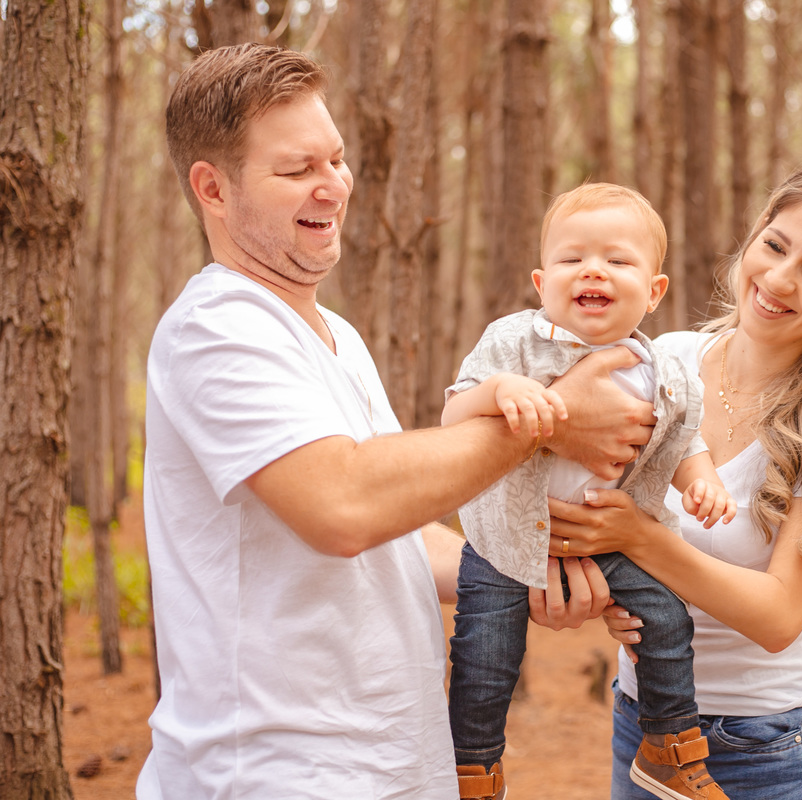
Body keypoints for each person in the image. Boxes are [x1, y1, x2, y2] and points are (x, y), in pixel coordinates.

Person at [138, 43, 654, 799]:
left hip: (394, 766)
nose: (334, 186)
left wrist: (521, 568)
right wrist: (553, 418)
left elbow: (399, 531)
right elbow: (343, 506)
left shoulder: (336, 337)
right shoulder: (215, 328)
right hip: (278, 773)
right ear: (213, 188)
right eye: (297, 170)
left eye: (336, 159)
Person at [546, 159, 802, 799]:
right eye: (775, 245)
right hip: (642, 720)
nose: (778, 279)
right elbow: (588, 500)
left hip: (763, 743)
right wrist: (618, 600)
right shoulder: (662, 361)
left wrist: (643, 544)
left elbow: (781, 614)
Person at [442, 183, 737, 800]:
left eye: (618, 260)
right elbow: (452, 416)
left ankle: (669, 746)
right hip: (507, 537)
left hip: (609, 539)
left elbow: (682, 443)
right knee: (484, 653)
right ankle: (472, 769)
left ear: (654, 292)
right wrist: (498, 391)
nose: (592, 270)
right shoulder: (513, 343)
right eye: (572, 259)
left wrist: (702, 480)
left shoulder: (667, 371)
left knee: (665, 621)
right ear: (541, 281)